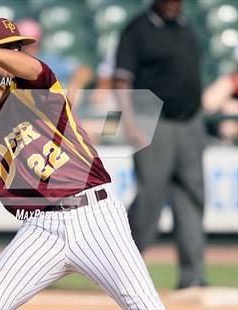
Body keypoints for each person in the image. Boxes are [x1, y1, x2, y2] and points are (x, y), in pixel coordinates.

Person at [0, 18, 164, 309]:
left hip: (95, 216)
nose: (17, 53)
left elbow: (35, 69)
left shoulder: (40, 90)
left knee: (145, 305)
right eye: (7, 47)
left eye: (19, 47)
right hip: (40, 228)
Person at [114, 0, 207, 289]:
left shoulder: (186, 26)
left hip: (190, 121)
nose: (173, 5)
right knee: (150, 199)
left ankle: (193, 277)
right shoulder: (138, 29)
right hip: (152, 120)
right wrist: (128, 123)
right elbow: (121, 80)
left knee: (191, 198)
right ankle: (119, 270)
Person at [16, 18, 94, 106]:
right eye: (24, 43)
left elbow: (84, 71)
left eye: (32, 43)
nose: (29, 47)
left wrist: (73, 90)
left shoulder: (48, 60)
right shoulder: (10, 64)